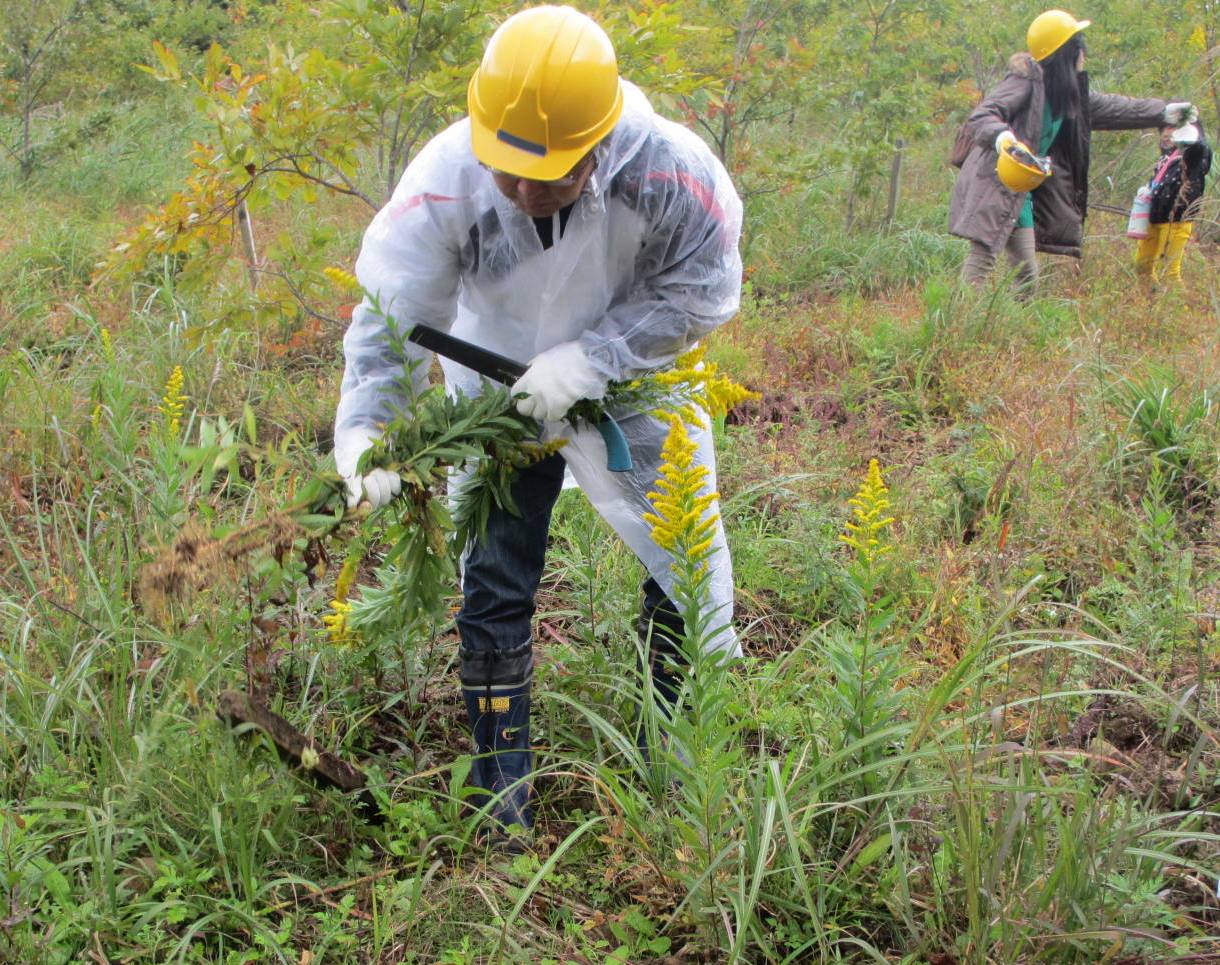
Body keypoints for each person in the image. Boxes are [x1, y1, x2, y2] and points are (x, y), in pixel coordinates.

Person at [332, 5, 743, 846]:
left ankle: (670, 760)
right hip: (495, 392)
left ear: (597, 142)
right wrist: (372, 427)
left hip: (633, 384)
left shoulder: (670, 176)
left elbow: (700, 292)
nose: (521, 190)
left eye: (546, 175)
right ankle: (500, 795)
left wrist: (592, 361)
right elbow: (393, 311)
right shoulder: (447, 178)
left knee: (681, 563)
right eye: (508, 170)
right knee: (495, 573)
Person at [949, 8, 1195, 294]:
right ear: (1067, 54)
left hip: (1020, 191)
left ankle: (1018, 330)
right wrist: (1002, 136)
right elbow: (982, 116)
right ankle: (957, 330)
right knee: (982, 259)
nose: (1083, 57)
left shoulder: (1066, 93)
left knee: (1026, 273)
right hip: (993, 181)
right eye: (1080, 50)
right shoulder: (1023, 82)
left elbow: (1116, 108)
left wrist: (1162, 113)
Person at [1134, 120, 1212, 285]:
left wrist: (1189, 134)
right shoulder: (1167, 154)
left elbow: (1197, 149)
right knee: (1142, 267)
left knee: (1170, 273)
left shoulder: (1194, 152)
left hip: (1177, 218)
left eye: (1172, 128)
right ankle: (1150, 301)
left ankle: (1180, 307)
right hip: (1154, 216)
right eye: (1165, 128)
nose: (1167, 133)